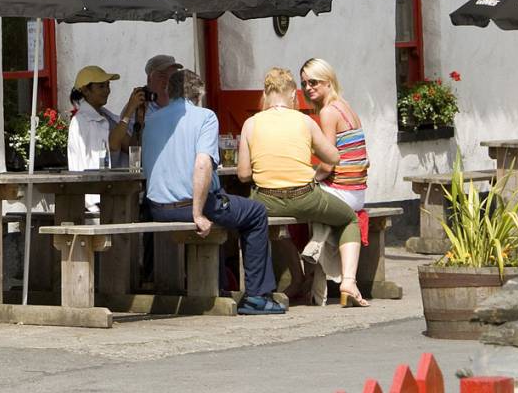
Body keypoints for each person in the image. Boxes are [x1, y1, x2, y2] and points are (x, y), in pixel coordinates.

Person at [142, 68, 285, 315]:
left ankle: (218, 286)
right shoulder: (205, 116)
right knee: (256, 212)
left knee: (223, 215)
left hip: (157, 208)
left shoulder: (152, 120)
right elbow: (202, 164)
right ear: (198, 94)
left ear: (169, 91)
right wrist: (197, 213)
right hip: (190, 205)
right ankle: (257, 296)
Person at [236, 67, 369, 308]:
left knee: (253, 223)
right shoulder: (305, 121)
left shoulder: (250, 124)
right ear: (292, 95)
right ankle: (348, 282)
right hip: (306, 197)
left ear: (266, 95)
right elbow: (334, 157)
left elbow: (244, 175)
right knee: (349, 219)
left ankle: (263, 288)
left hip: (266, 200)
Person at [299, 58, 369, 211]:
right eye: (304, 84)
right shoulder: (345, 105)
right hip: (358, 194)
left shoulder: (328, 112)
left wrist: (310, 180)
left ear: (328, 81)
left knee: (295, 196)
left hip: (341, 194)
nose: (308, 88)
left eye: (313, 82)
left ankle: (313, 236)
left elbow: (327, 165)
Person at [67, 65, 145, 171]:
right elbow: (111, 146)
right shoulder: (83, 120)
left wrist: (139, 118)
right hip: (93, 184)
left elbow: (131, 148)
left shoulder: (107, 117)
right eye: (101, 87)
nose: (107, 91)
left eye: (108, 85)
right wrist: (129, 110)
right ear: (85, 90)